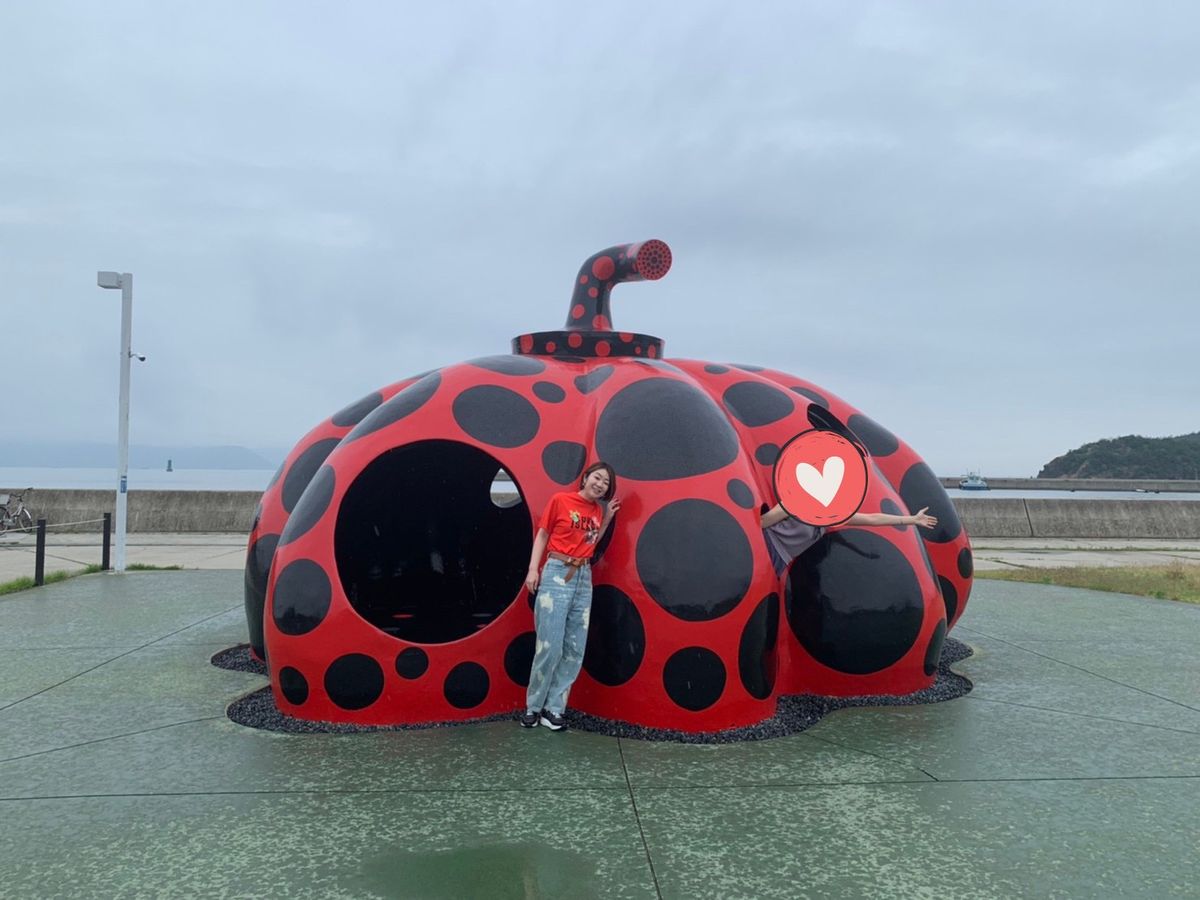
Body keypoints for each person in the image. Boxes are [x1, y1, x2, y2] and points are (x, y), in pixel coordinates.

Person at [521, 462, 620, 731]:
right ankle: (533, 707)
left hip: (583, 577)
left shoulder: (598, 510)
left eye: (605, 483)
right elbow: (543, 534)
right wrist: (533, 569)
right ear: (585, 478)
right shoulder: (561, 500)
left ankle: (554, 709)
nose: (600, 484)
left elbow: (591, 540)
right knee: (549, 645)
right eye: (597, 478)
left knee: (575, 648)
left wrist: (608, 518)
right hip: (556, 571)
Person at [760, 502, 937, 576]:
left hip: (780, 562)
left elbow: (872, 519)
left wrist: (912, 520)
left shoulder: (831, 515)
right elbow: (760, 524)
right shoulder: (796, 501)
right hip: (765, 548)